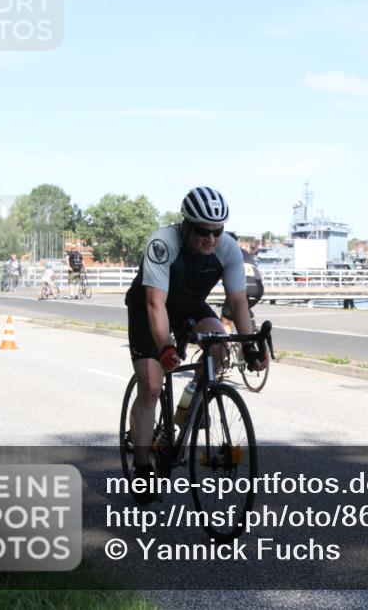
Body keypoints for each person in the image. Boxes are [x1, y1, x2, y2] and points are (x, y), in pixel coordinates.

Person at [124, 186, 269, 504]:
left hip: (189, 307)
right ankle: (144, 465)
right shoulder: (163, 243)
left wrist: (250, 347)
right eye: (204, 231)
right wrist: (165, 347)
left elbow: (237, 301)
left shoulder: (227, 249)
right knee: (150, 385)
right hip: (150, 307)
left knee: (220, 346)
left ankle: (190, 402)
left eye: (218, 231)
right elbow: (154, 305)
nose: (212, 238)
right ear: (186, 225)